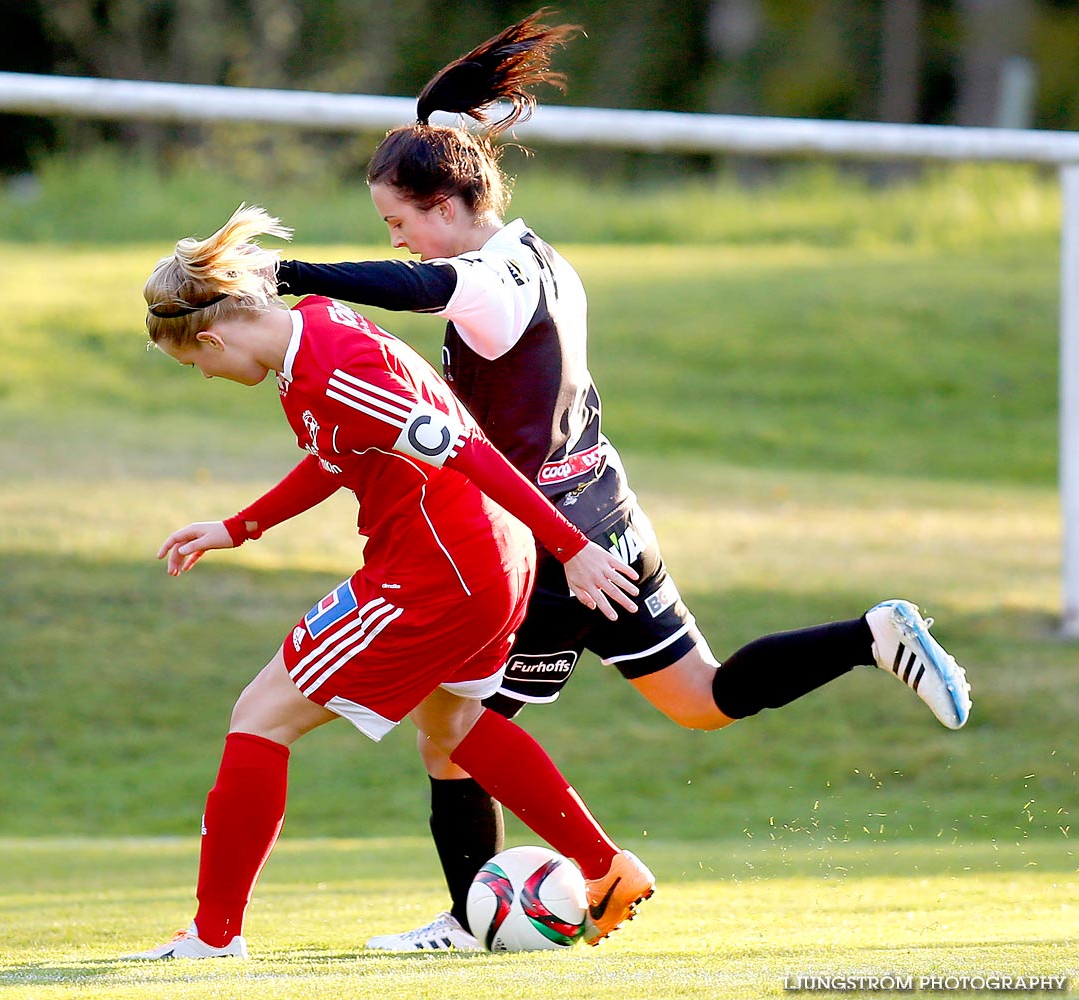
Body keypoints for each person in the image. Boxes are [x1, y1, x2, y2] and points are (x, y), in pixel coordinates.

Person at [272, 9, 974, 952]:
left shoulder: (479, 275)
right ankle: (872, 635)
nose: (398, 242)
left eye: (400, 223)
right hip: (608, 511)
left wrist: (283, 273)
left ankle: (493, 909)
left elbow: (404, 290)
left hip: (541, 542)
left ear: (446, 207)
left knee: (449, 732)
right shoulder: (543, 255)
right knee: (702, 698)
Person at [123, 204, 660, 961]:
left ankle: (213, 937)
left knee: (259, 717)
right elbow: (340, 452)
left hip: (438, 572)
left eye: (196, 365)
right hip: (483, 561)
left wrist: (571, 545)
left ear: (211, 335)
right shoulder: (312, 330)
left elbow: (470, 450)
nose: (207, 375)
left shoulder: (334, 369)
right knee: (455, 731)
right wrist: (240, 525)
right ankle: (608, 870)